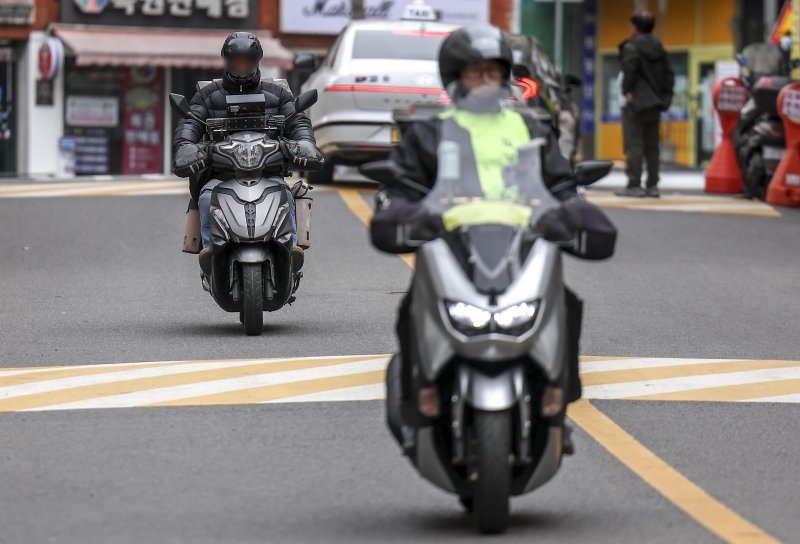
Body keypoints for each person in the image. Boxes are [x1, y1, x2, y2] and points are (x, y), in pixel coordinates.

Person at [370, 25, 617, 454]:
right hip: (450, 240)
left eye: (493, 72)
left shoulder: (530, 126)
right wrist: (400, 211)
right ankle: (420, 402)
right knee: (412, 310)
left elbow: (559, 185)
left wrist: (575, 212)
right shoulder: (430, 130)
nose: (486, 80)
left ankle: (557, 401)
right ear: (455, 76)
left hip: (521, 239)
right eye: (475, 72)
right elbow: (406, 186)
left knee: (567, 303)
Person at [173, 32, 322, 274]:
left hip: (268, 174)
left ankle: (290, 249)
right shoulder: (207, 96)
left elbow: (297, 121)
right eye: (236, 62)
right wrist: (185, 146)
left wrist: (305, 143)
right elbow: (190, 123)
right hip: (220, 176)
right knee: (204, 198)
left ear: (256, 61)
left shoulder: (279, 94)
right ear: (227, 62)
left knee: (285, 193)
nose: (242, 67)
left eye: (246, 62)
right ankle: (211, 254)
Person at [615, 11, 674, 199]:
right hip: (655, 103)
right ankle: (652, 185)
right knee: (652, 145)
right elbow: (668, 75)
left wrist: (627, 91)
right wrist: (665, 99)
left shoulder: (631, 47)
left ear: (634, 27)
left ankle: (634, 184)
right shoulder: (659, 47)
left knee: (635, 144)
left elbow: (629, 71)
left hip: (636, 102)